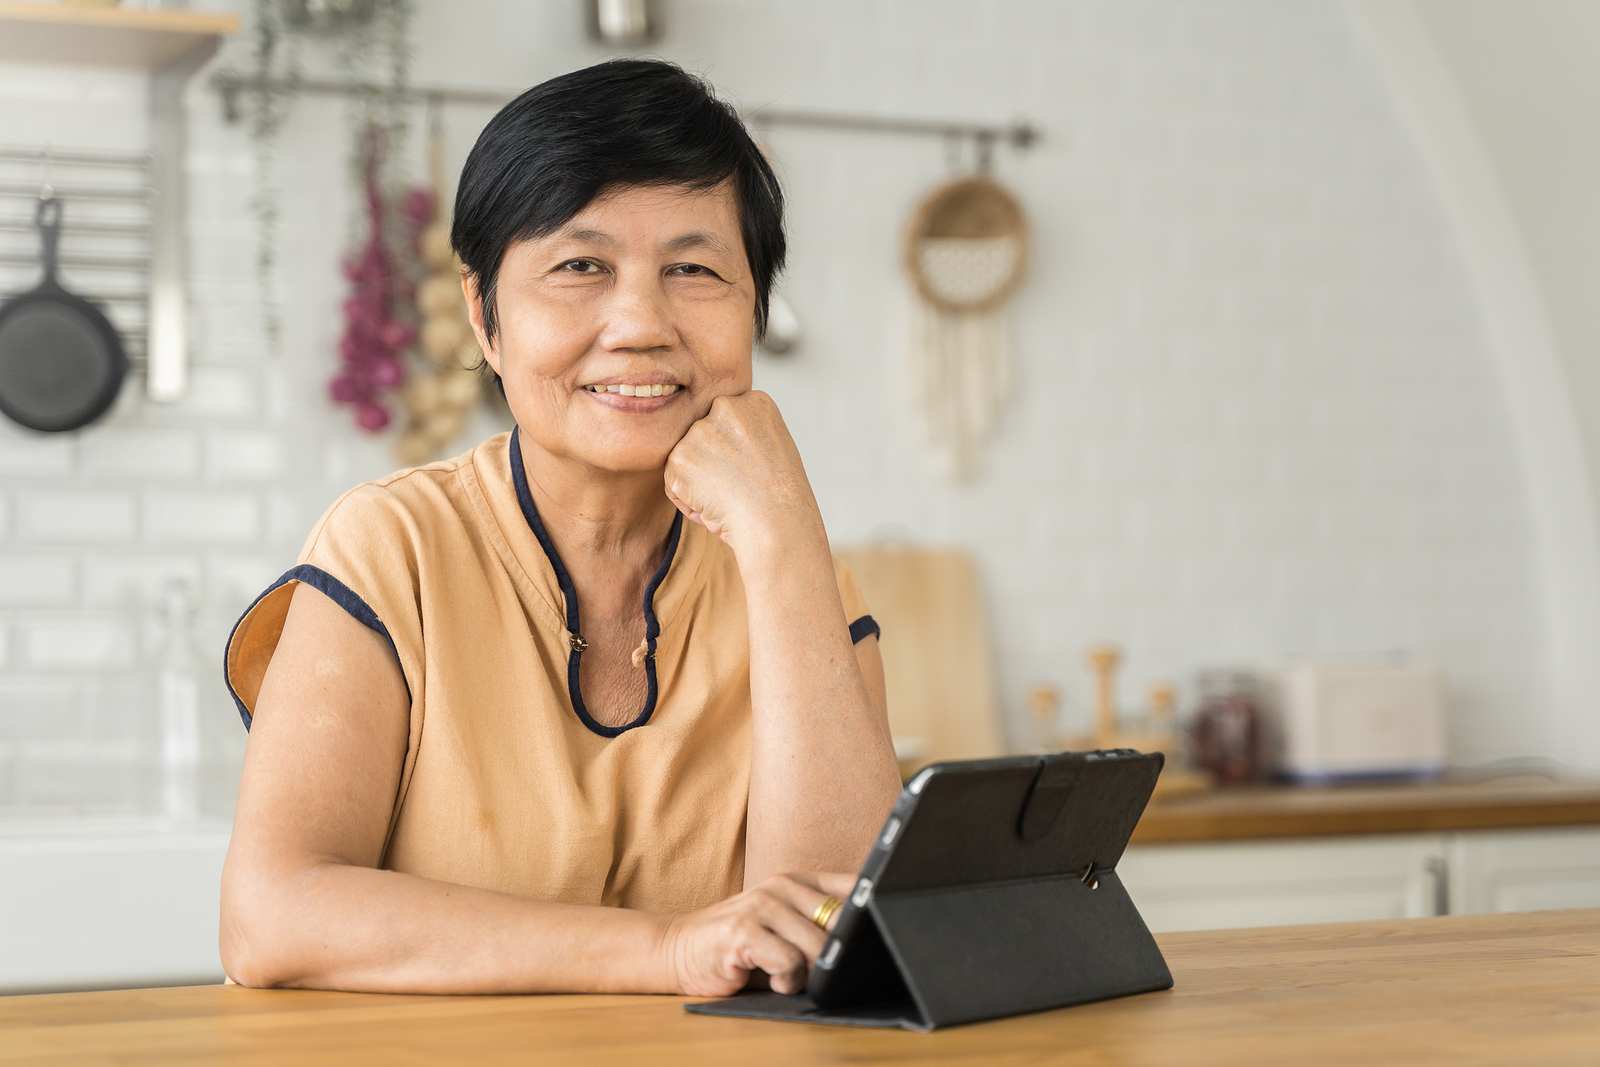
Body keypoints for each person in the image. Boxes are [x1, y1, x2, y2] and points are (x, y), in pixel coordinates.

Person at [219, 58, 902, 997]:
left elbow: (840, 940)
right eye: (581, 267)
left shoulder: (794, 574)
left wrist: (784, 545)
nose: (639, 324)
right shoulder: (390, 548)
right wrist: (665, 951)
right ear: (483, 314)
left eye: (693, 269)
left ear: (755, 309)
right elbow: (272, 915)